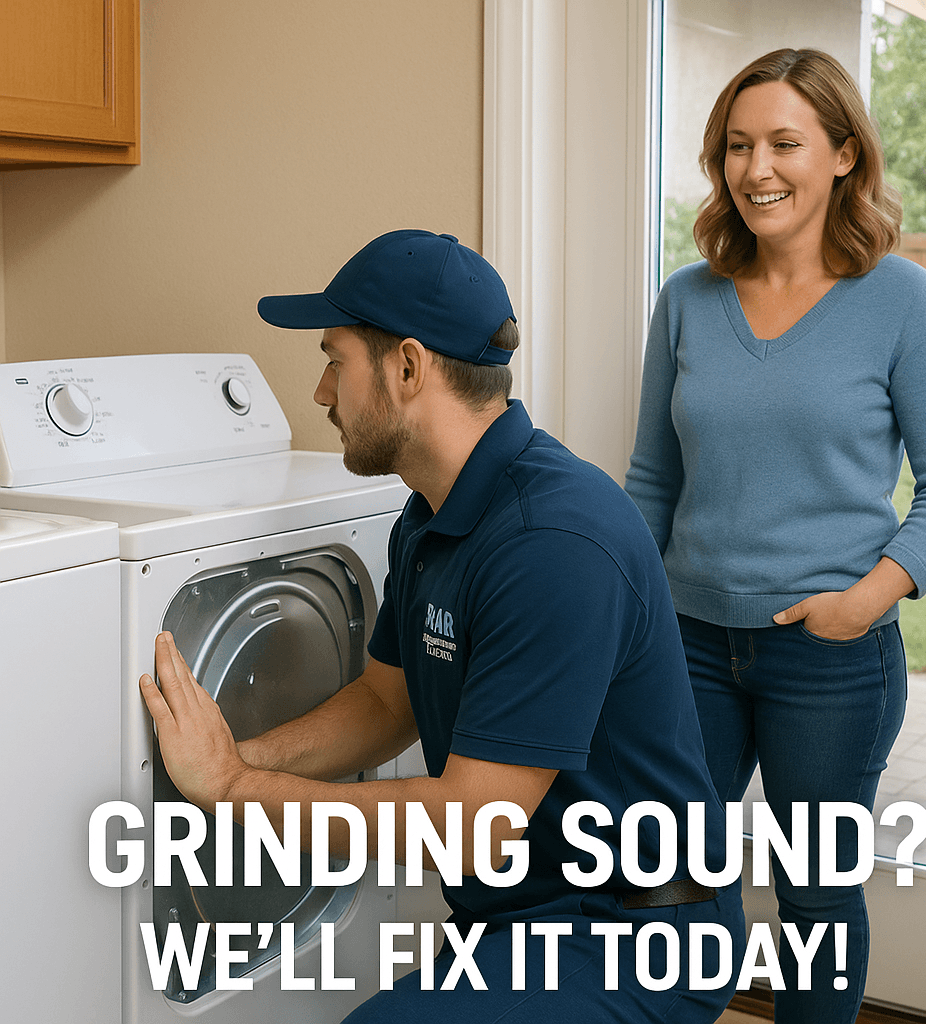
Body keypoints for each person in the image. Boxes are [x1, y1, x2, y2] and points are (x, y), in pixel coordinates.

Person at [140, 228, 745, 1022]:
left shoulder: (551, 540)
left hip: (638, 932)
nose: (323, 392)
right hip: (527, 916)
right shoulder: (431, 517)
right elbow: (386, 704)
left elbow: (474, 828)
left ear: (409, 366)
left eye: (334, 359)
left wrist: (235, 789)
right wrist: (231, 760)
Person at [625, 49, 926, 1024]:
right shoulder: (686, 300)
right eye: (737, 146)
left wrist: (860, 604)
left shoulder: (900, 300)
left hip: (828, 658)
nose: (756, 168)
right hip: (687, 647)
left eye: (784, 142)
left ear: (840, 155)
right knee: (670, 886)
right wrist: (636, 623)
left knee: (815, 896)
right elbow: (652, 479)